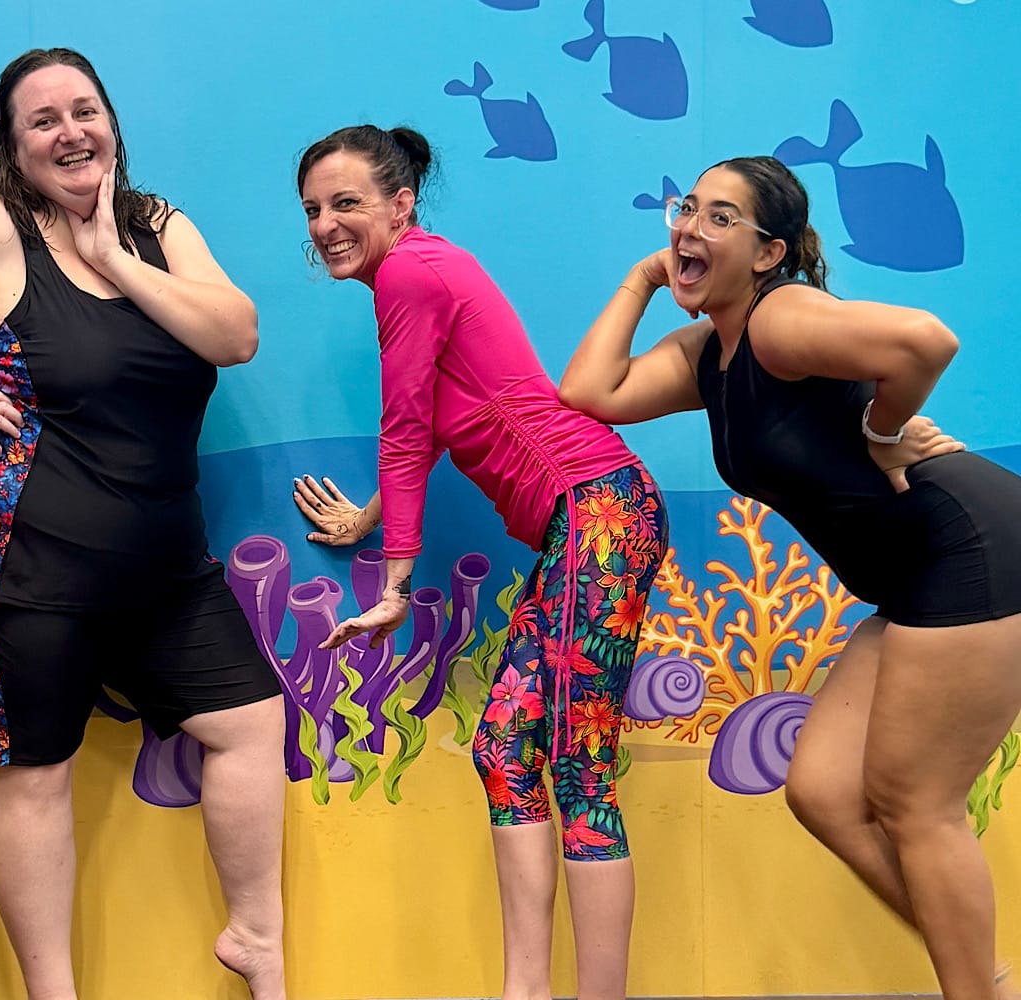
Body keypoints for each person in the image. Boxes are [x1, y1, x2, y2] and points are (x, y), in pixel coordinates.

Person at [0, 48, 287, 1000]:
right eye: (43, 120)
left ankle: (256, 940)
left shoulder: (158, 225)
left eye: (85, 110)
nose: (70, 132)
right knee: (37, 770)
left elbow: (234, 335)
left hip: (162, 560)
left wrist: (113, 257)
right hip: (16, 563)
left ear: (111, 122)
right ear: (12, 145)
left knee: (248, 721)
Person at [559, 154, 1021, 998]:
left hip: (969, 549)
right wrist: (644, 278)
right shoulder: (712, 353)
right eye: (687, 209)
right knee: (825, 793)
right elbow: (592, 391)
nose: (691, 227)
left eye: (721, 217)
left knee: (915, 803)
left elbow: (926, 340)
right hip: (912, 580)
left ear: (769, 253)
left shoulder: (781, 320)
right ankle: (983, 979)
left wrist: (885, 432)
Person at [292, 124, 669, 1000]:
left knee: (578, 769)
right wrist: (372, 519)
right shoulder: (422, 270)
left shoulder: (409, 273)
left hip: (598, 510)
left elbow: (404, 426)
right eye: (312, 209)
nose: (324, 225)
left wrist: (396, 582)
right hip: (585, 523)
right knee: (503, 746)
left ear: (401, 204)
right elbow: (433, 419)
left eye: (345, 203)